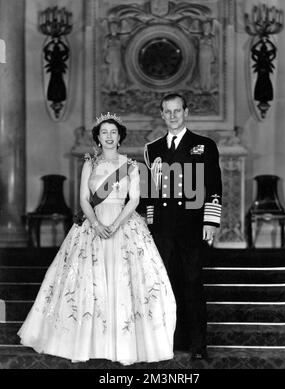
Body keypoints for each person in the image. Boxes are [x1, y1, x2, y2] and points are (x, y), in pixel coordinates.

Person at [18, 113, 176, 366]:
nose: (109, 136)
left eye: (113, 132)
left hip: (124, 223)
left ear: (120, 136)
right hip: (93, 223)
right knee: (88, 283)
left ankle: (123, 342)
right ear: (98, 138)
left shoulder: (131, 165)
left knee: (124, 282)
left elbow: (134, 199)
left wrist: (114, 225)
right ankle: (88, 342)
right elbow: (83, 198)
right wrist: (96, 223)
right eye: (104, 132)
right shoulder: (89, 163)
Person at [144, 93, 222, 359]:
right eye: (168, 111)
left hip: (191, 227)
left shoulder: (204, 145)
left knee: (192, 283)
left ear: (186, 112)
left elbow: (213, 186)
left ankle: (198, 347)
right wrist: (149, 224)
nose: (173, 115)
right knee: (165, 285)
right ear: (162, 114)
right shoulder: (152, 149)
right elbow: (149, 193)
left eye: (178, 110)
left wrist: (210, 220)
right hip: (163, 229)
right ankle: (169, 342)